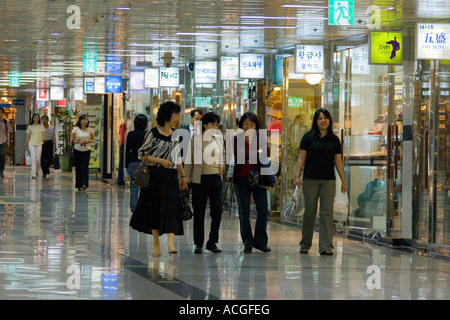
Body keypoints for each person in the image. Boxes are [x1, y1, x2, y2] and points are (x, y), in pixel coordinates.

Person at [129, 101, 188, 257]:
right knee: (155, 209)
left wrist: (183, 176)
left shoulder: (176, 134)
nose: (177, 118)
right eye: (175, 115)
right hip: (155, 176)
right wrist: (161, 161)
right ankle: (156, 243)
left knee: (171, 208)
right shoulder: (152, 133)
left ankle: (171, 243)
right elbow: (142, 155)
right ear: (167, 115)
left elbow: (178, 157)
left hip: (170, 177)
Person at [294, 108, 347, 256]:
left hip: (328, 180)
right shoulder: (308, 137)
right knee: (309, 212)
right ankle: (305, 244)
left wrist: (343, 180)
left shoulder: (334, 140)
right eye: (320, 118)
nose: (323, 121)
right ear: (315, 121)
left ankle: (325, 245)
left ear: (329, 121)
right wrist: (297, 176)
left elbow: (338, 161)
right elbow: (301, 158)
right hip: (310, 178)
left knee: (326, 213)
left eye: (325, 118)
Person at [184, 112, 224, 254]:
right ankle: (198, 243)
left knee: (217, 211)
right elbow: (188, 163)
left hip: (215, 179)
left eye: (216, 125)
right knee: (199, 213)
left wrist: (221, 165)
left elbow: (221, 158)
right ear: (205, 125)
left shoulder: (218, 140)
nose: (214, 127)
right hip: (199, 180)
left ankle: (212, 242)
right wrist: (186, 181)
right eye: (212, 124)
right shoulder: (195, 141)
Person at [233, 112, 271, 253]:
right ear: (241, 125)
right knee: (244, 211)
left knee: (262, 210)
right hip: (242, 178)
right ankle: (248, 242)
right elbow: (240, 156)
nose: (248, 126)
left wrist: (252, 154)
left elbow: (266, 153)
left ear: (256, 126)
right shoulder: (237, 139)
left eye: (251, 124)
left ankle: (260, 242)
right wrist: (257, 152)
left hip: (258, 178)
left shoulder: (261, 137)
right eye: (246, 123)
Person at [125, 114, 148, 213]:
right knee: (144, 186)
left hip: (133, 163)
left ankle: (134, 208)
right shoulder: (148, 134)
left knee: (133, 186)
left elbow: (127, 151)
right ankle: (143, 207)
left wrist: (126, 166)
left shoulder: (130, 134)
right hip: (144, 163)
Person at [71, 114, 95, 192]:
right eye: (83, 120)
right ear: (80, 121)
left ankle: (85, 184)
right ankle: (79, 185)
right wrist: (80, 142)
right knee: (78, 168)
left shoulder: (90, 130)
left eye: (86, 120)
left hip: (86, 150)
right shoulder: (75, 129)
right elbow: (72, 140)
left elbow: (93, 139)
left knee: (85, 167)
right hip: (77, 150)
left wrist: (88, 141)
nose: (85, 121)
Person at [25, 113, 45, 179]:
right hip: (31, 143)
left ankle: (36, 171)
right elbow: (28, 136)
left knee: (37, 159)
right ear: (33, 118)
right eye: (35, 117)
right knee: (33, 158)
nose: (36, 118)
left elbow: (43, 135)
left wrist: (43, 139)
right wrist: (26, 145)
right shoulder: (30, 127)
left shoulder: (41, 127)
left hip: (39, 144)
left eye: (37, 117)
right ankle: (33, 173)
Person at [0, 108, 13, 178]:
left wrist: (8, 141)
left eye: (0, 112)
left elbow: (9, 132)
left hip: (2, 141)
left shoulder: (5, 122)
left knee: (2, 155)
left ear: (2, 114)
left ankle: (1, 170)